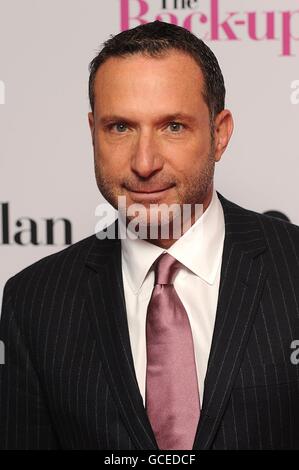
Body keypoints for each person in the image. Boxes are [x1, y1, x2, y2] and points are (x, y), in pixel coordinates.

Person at [0, 20, 299, 451]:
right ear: (93, 133)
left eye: (172, 126)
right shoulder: (34, 302)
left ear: (220, 134)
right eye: (120, 127)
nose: (144, 162)